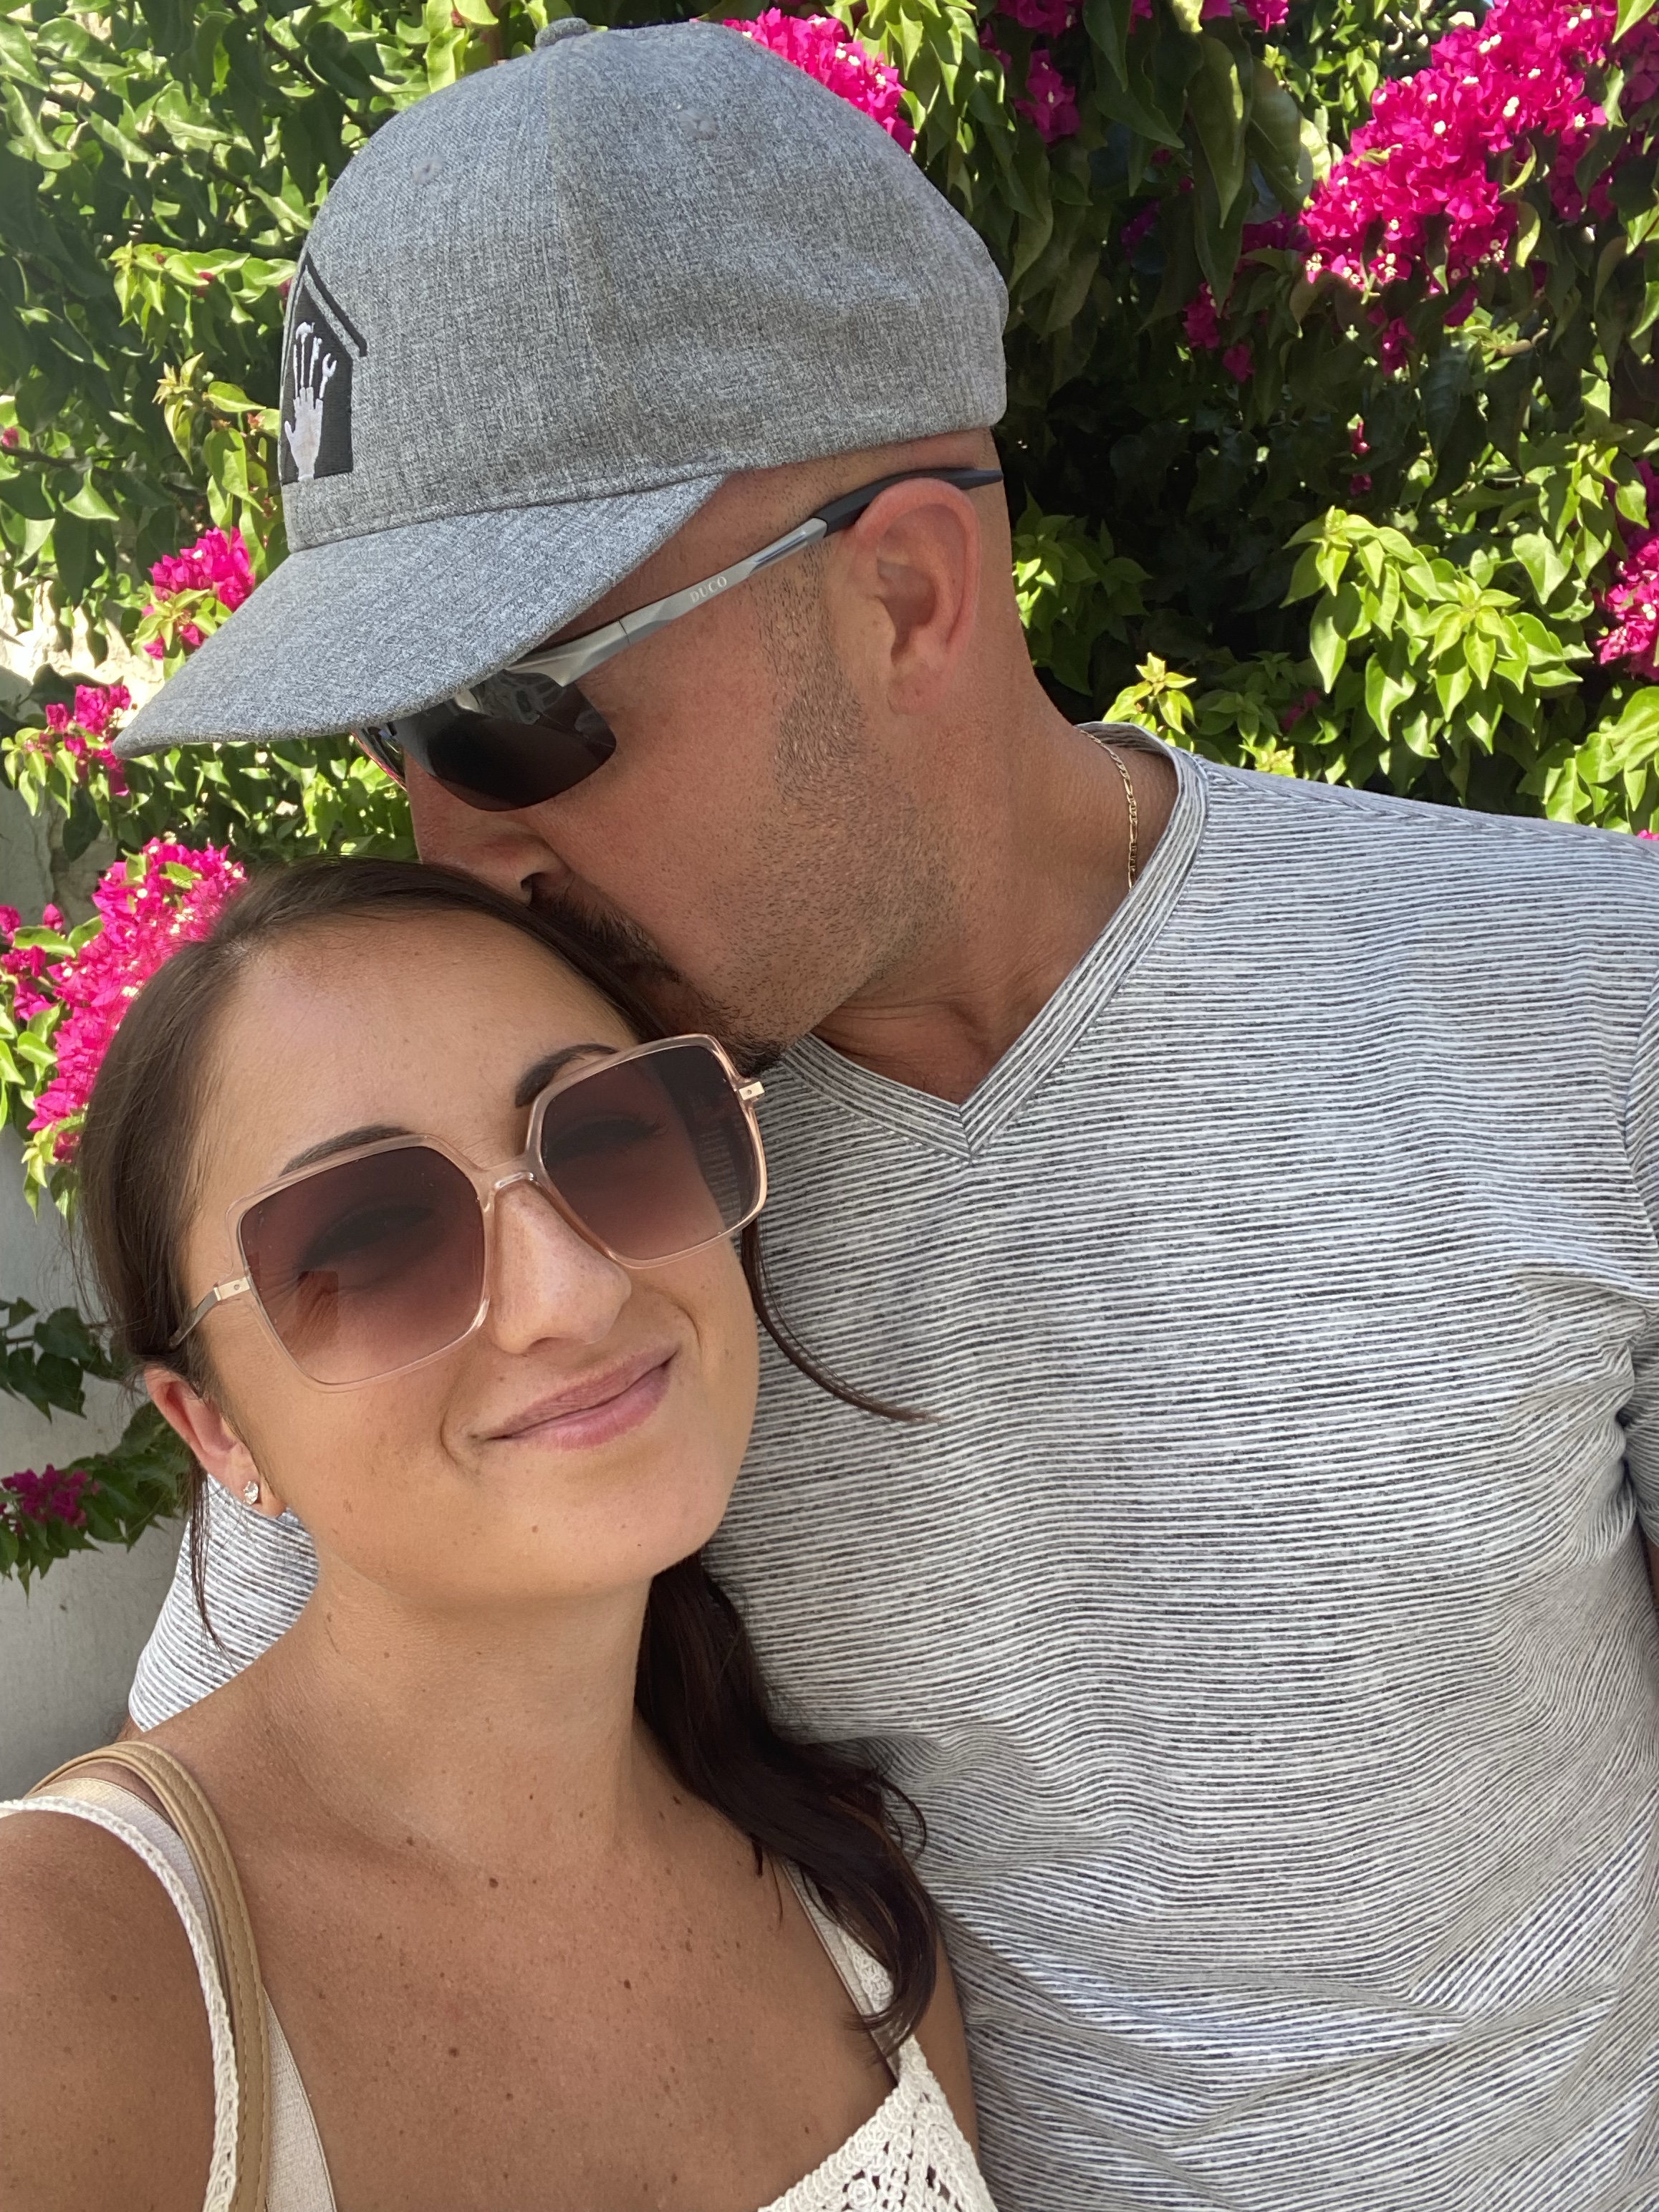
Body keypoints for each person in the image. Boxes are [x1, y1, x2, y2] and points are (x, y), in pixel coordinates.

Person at [112, 19, 1659, 2209]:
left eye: (510, 717)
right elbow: (207, 1878)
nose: (457, 848)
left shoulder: (1580, 998)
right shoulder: (546, 1218)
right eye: (396, 739)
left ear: (905, 590)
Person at [0, 860, 994, 2212]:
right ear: (216, 1429)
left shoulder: (854, 1902)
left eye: (614, 1137)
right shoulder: (67, 1977)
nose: (570, 1293)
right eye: (372, 1239)